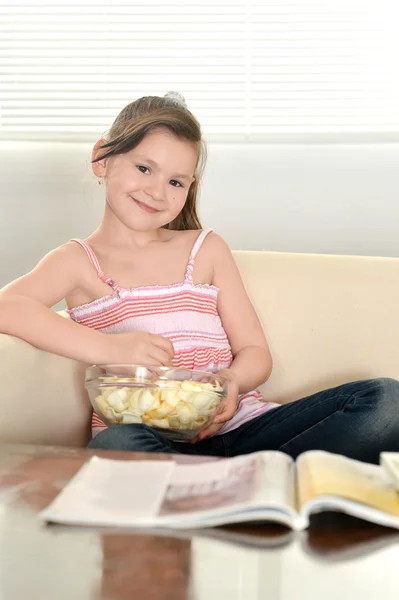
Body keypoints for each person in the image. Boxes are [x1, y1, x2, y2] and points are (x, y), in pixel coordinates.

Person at [0, 91, 398, 464]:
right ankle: (242, 483)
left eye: (175, 182)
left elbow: (256, 353)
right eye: (144, 168)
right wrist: (110, 350)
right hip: (149, 440)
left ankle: (221, 485)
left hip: (242, 427)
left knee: (386, 400)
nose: (157, 191)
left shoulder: (204, 248)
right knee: (115, 446)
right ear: (102, 159)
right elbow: (7, 307)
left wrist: (231, 382)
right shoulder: (78, 261)